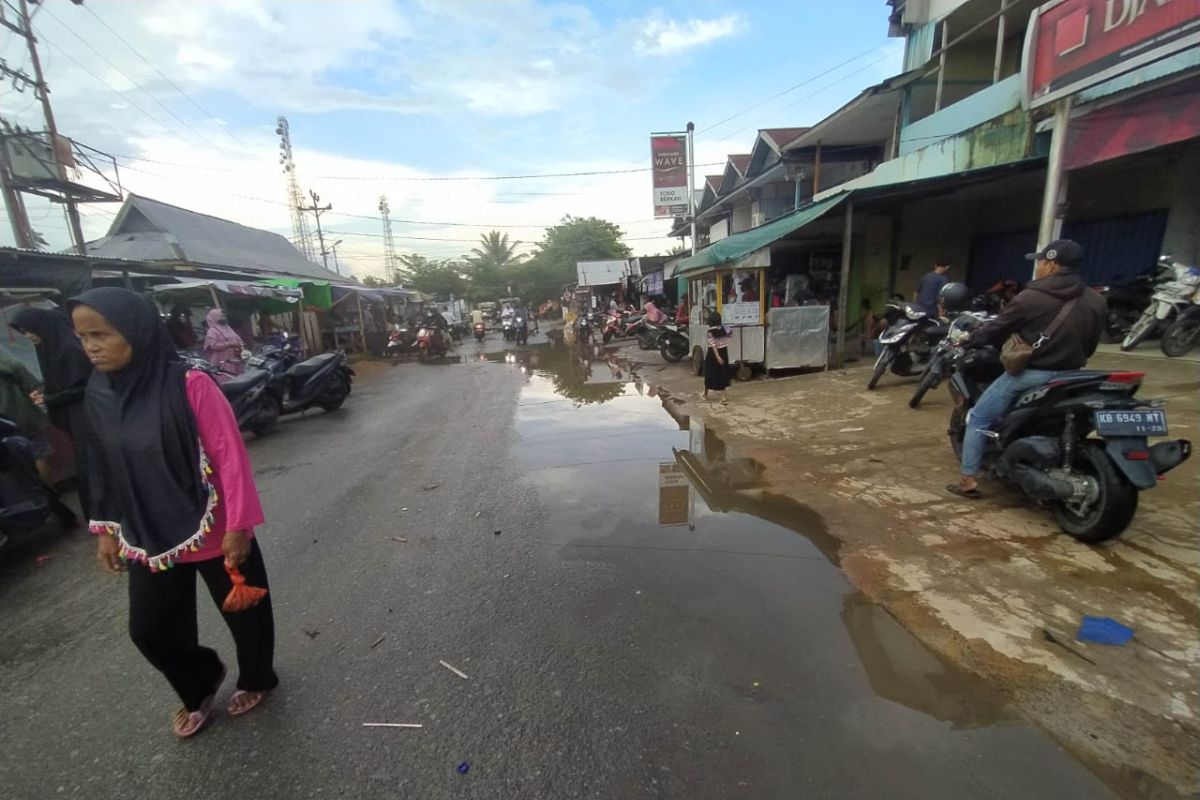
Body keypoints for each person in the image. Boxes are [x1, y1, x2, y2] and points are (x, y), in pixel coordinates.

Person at [71, 288, 277, 737]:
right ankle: (200, 679)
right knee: (149, 630)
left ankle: (258, 677)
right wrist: (106, 530)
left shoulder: (190, 383)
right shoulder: (98, 393)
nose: (91, 345)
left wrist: (240, 524)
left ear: (137, 332)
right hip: (149, 531)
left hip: (214, 524)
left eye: (101, 334)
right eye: (83, 336)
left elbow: (229, 455)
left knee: (246, 614)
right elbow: (102, 465)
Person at [949, 240, 1105, 499]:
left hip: (1031, 375)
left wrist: (970, 339)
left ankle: (967, 481)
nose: (1038, 267)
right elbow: (1090, 346)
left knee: (977, 418)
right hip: (1073, 376)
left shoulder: (1030, 297)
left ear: (1052, 264)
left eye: (1041, 262)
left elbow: (996, 329)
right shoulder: (1096, 300)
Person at [10, 306, 95, 517]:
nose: (28, 336)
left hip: (86, 415)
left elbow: (88, 385)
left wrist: (51, 398)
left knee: (91, 465)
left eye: (29, 330)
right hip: (75, 417)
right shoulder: (50, 348)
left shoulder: (69, 350)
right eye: (23, 332)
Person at [0, 351, 56, 483]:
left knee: (11, 464)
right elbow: (34, 387)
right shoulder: (8, 362)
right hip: (26, 417)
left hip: (3, 425)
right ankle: (50, 495)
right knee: (39, 457)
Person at [202, 308, 245, 375]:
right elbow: (214, 346)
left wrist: (240, 344)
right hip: (222, 358)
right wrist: (229, 344)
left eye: (224, 316)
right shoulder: (212, 330)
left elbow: (238, 338)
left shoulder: (227, 327)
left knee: (237, 376)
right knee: (226, 377)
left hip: (235, 355)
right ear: (215, 317)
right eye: (221, 316)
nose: (224, 318)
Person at [703, 311, 732, 404]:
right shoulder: (726, 329)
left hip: (713, 355)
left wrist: (717, 357)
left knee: (709, 373)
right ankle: (723, 397)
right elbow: (731, 334)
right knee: (723, 373)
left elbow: (713, 345)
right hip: (724, 352)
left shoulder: (710, 332)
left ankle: (705, 394)